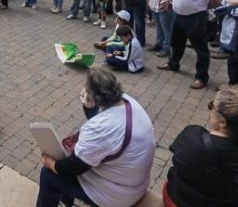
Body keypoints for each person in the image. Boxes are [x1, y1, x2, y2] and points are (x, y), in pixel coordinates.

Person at [36, 67, 154, 207]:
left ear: (94, 98)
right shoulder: (127, 101)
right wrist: (88, 106)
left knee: (49, 175)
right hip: (133, 182)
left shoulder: (100, 129)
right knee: (70, 155)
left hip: (118, 194)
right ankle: (66, 202)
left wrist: (52, 164)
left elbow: (73, 167)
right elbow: (100, 120)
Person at [159, 0, 221, 89]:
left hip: (196, 17)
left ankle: (201, 77)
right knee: (176, 42)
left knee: (200, 48)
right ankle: (173, 63)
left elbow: (215, 0)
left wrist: (200, 7)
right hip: (179, 15)